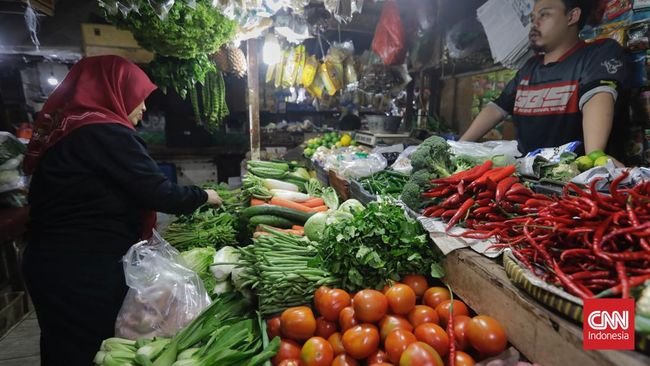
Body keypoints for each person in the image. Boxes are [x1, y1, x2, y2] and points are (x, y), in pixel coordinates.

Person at [21, 55, 222, 366]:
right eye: (139, 99)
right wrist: (204, 196)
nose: (143, 109)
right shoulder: (103, 132)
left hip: (59, 262)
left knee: (66, 345)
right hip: (78, 269)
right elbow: (158, 191)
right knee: (84, 349)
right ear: (115, 91)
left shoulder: (76, 129)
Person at [460, 0, 628, 160]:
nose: (534, 23)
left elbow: (597, 97)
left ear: (572, 16)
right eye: (532, 18)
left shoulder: (597, 54)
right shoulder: (529, 68)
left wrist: (594, 158)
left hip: (573, 180)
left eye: (544, 15)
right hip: (524, 179)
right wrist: (459, 146)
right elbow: (497, 108)